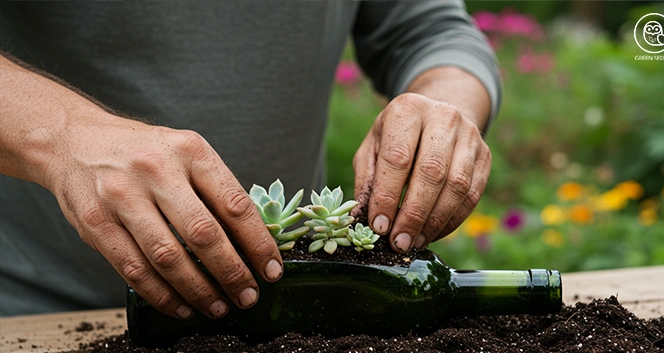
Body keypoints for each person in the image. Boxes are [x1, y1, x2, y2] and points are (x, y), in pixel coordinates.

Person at [0, 1, 501, 319]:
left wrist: (447, 104)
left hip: (284, 319)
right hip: (35, 315)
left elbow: (429, 29)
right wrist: (66, 135)